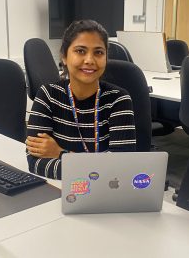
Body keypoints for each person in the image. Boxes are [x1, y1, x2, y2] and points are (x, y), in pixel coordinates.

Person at [26, 20, 136, 180]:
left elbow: (119, 169)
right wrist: (97, 169)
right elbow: (35, 163)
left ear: (106, 58)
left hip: (105, 196)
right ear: (64, 56)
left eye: (98, 52)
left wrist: (61, 154)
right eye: (80, 51)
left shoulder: (118, 100)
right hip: (59, 193)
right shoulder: (47, 95)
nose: (90, 60)